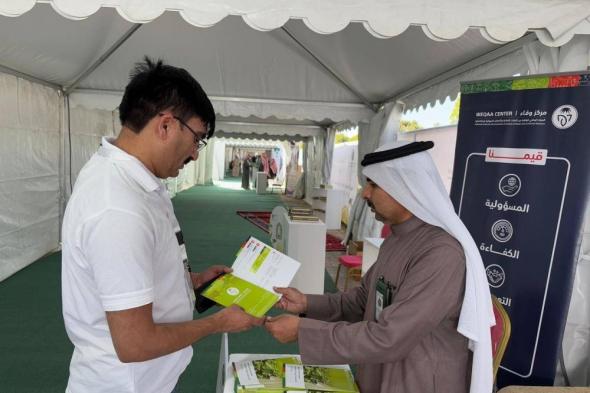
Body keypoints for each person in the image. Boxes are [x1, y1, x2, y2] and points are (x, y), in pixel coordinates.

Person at [61, 57, 263, 393]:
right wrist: (218, 323)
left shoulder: (130, 179)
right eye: (197, 139)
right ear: (166, 125)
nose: (196, 155)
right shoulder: (118, 208)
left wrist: (194, 283)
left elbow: (134, 275)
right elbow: (135, 344)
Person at [265, 141, 494, 393]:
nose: (365, 194)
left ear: (405, 188)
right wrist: (306, 303)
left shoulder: (441, 254)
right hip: (380, 371)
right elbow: (363, 301)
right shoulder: (397, 238)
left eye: (374, 185)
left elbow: (390, 337)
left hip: (419, 381)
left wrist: (302, 331)